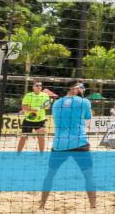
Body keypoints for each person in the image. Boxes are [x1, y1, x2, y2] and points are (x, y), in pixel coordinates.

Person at [39, 81, 96, 210]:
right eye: (81, 87)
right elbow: (87, 117)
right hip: (79, 143)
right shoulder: (84, 102)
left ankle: (42, 205)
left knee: (50, 175)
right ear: (74, 88)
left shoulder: (56, 104)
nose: (83, 89)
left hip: (60, 144)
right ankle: (93, 207)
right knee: (89, 175)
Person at [17, 81, 51, 152]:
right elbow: (24, 106)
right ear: (33, 87)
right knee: (23, 137)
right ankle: (18, 154)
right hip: (29, 120)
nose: (39, 87)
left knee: (41, 137)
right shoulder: (28, 95)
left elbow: (48, 107)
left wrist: (43, 107)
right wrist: (33, 109)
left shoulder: (45, 95)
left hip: (40, 120)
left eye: (40, 85)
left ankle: (41, 155)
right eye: (37, 85)